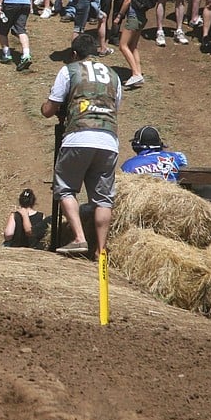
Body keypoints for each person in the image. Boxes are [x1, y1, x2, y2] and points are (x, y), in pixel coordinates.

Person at [41, 33, 122, 256]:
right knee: (103, 198)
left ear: (74, 54)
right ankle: (101, 250)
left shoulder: (69, 70)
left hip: (79, 135)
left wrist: (46, 108)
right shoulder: (114, 75)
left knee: (65, 187)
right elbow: (116, 106)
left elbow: (50, 109)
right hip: (108, 139)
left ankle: (78, 237)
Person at [112, 0, 147, 88]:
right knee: (133, 46)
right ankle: (138, 72)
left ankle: (135, 74)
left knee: (123, 45)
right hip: (141, 15)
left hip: (132, 15)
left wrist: (119, 16)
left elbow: (127, 0)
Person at [120, 126, 188, 182]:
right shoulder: (175, 157)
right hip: (171, 196)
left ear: (137, 145)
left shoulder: (129, 165)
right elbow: (183, 159)